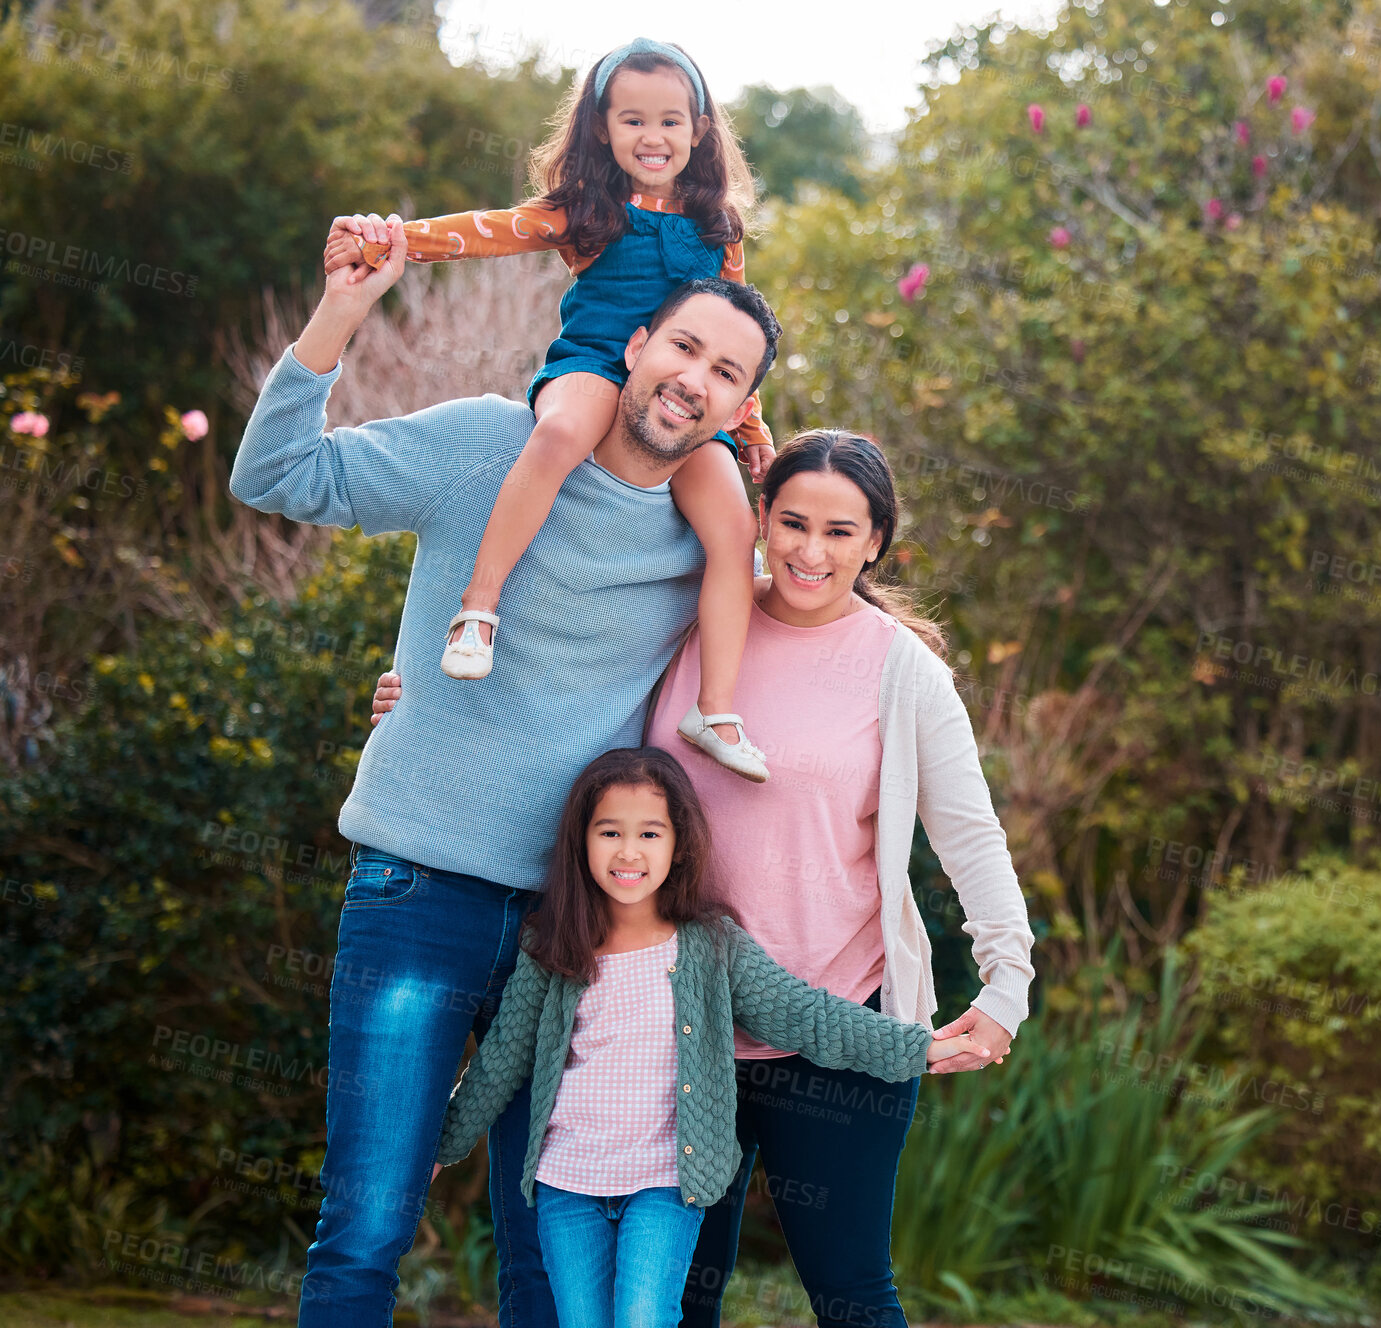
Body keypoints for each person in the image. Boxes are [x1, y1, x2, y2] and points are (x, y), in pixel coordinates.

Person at [228, 204, 781, 1328]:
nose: (694, 380)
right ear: (632, 344)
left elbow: (807, 639)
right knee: (369, 1222)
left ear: (739, 405)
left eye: (728, 372)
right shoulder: (490, 442)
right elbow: (277, 474)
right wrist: (343, 308)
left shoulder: (710, 537)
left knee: (553, 1246)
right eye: (683, 346)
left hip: (579, 930)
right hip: (417, 888)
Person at [370, 429, 1037, 1328]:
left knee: (850, 1291)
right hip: (677, 1033)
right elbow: (561, 688)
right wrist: (415, 693)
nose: (811, 550)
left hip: (830, 1026)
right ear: (759, 518)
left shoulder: (903, 671)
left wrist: (1006, 986)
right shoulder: (699, 617)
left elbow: (971, 839)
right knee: (679, 1301)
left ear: (877, 539)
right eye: (793, 522)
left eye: (841, 532)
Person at [325, 37, 773, 783]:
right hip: (597, 361)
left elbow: (738, 329)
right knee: (562, 431)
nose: (652, 137)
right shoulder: (588, 211)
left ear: (699, 129)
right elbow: (490, 230)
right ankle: (479, 606)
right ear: (601, 128)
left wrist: (751, 427)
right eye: (632, 120)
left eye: (670, 121)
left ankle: (714, 708)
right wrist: (399, 239)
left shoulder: (717, 225)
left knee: (733, 525)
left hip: (680, 389)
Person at [429, 746, 984, 1328]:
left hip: (666, 1183)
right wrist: (441, 1147)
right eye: (609, 832)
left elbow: (806, 1015)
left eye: (649, 833)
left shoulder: (711, 946)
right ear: (581, 841)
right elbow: (499, 1061)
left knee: (645, 1318)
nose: (628, 852)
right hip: (567, 1183)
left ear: (678, 844)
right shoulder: (553, 949)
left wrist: (917, 1047)